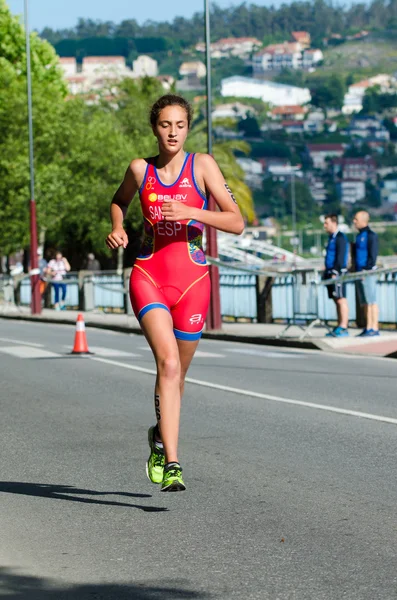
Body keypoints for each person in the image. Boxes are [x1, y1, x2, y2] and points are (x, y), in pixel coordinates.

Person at [106, 94, 244, 492]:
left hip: (194, 284)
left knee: (177, 376)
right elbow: (119, 202)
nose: (172, 132)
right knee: (167, 365)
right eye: (165, 125)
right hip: (148, 275)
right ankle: (173, 462)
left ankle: (158, 434)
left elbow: (236, 223)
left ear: (188, 128)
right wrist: (119, 226)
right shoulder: (139, 168)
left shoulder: (202, 166)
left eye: (180, 125)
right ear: (155, 127)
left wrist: (193, 212)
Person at [353, 210, 379, 336]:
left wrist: (366, 270)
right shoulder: (358, 236)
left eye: (356, 219)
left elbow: (372, 256)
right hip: (358, 272)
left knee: (371, 301)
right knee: (364, 302)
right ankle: (366, 326)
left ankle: (373, 327)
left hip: (367, 273)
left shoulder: (371, 235)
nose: (354, 221)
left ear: (363, 220)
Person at [323, 214, 349, 337]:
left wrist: (335, 271)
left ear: (334, 223)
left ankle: (344, 326)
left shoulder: (340, 238)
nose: (325, 226)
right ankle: (339, 325)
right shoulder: (331, 238)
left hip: (337, 273)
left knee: (341, 299)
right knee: (336, 299)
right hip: (329, 272)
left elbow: (340, 256)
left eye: (326, 223)